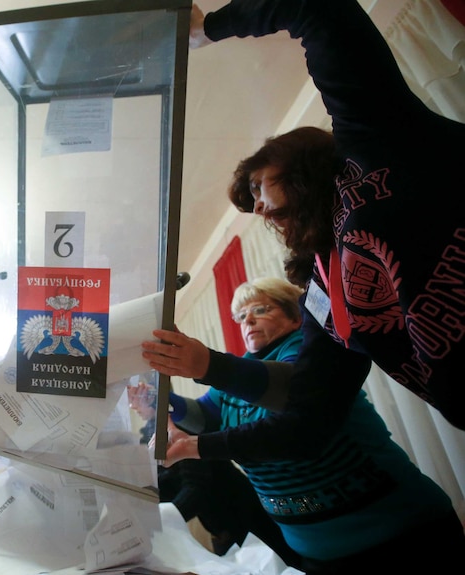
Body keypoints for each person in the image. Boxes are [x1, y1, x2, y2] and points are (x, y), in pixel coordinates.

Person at [145, 0, 465, 469]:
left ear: (297, 160)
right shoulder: (325, 288)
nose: (257, 207)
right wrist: (195, 441)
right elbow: (310, 413)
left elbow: (322, 10)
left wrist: (205, 28)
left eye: (258, 186)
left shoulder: (375, 141)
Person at [153, 277, 465, 573]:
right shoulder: (238, 369)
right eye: (241, 315)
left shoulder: (307, 350)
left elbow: (298, 397)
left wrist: (206, 364)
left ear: (293, 317)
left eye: (260, 309)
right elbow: (204, 416)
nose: (247, 320)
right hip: (317, 555)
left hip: (399, 537)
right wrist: (163, 401)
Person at [127, 376, 300, 564]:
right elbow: (166, 485)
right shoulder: (149, 435)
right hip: (220, 524)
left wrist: (161, 521)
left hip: (241, 514)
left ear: (152, 393)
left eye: (136, 396)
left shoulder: (182, 427)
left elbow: (195, 489)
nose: (132, 406)